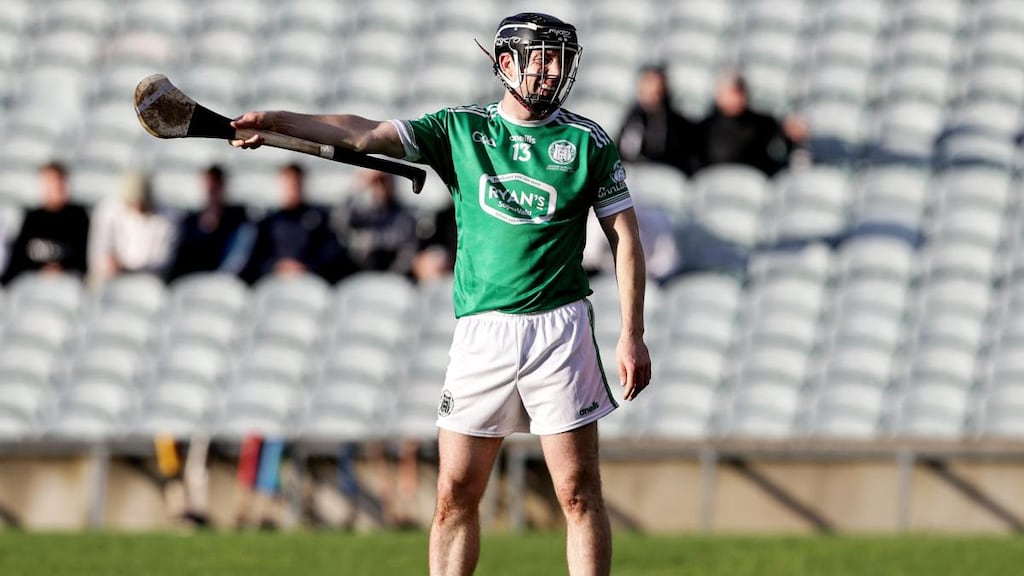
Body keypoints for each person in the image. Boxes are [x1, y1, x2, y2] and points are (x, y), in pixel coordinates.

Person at [230, 12, 652, 575]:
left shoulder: (587, 141)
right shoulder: (460, 130)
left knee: (577, 494)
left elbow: (625, 239)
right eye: (544, 57)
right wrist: (282, 123)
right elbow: (364, 132)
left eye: (562, 58)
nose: (556, 70)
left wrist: (632, 334)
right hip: (484, 334)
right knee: (454, 493)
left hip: (560, 328)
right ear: (507, 64)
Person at [240, 162, 351, 284]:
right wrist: (277, 265)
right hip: (274, 282)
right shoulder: (268, 222)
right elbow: (256, 258)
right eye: (288, 185)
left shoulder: (319, 219)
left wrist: (307, 267)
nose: (292, 190)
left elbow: (331, 253)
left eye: (296, 185)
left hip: (312, 282)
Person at [697, 72, 809, 176]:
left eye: (739, 92)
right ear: (718, 94)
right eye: (730, 92)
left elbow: (781, 145)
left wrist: (789, 134)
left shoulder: (763, 124)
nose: (734, 98)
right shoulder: (704, 128)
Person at [1, 161, 89, 284]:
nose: (54, 187)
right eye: (48, 183)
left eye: (58, 182)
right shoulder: (32, 218)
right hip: (34, 284)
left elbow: (85, 258)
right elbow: (18, 259)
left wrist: (62, 268)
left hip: (68, 282)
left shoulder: (79, 217)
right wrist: (40, 269)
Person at [87, 170, 177, 286]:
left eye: (141, 202)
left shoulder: (167, 218)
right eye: (133, 202)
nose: (137, 206)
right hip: (111, 277)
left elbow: (163, 261)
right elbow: (98, 250)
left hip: (148, 280)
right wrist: (109, 262)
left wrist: (129, 269)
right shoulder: (107, 211)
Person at [166, 164, 253, 282]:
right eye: (207, 187)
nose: (209, 192)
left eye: (214, 187)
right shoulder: (190, 221)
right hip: (192, 279)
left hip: (224, 280)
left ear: (222, 186)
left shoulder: (238, 218)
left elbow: (237, 257)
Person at [331, 168, 419, 276]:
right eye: (375, 183)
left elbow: (407, 253)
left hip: (390, 277)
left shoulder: (404, 217)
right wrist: (359, 188)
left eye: (384, 181)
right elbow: (337, 224)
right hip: (354, 274)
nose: (380, 186)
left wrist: (392, 276)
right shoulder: (357, 212)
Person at [616, 64, 699, 175]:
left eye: (657, 90)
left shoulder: (678, 125)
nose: (653, 93)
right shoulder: (631, 121)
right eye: (648, 86)